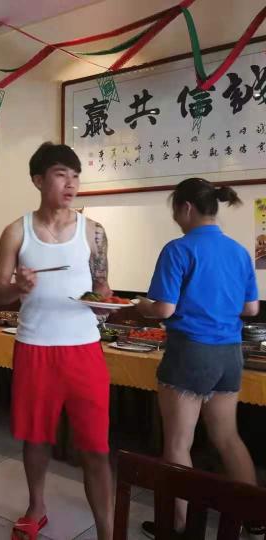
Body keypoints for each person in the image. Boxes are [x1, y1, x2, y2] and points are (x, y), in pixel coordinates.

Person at [0, 142, 113, 540]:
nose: (71, 184)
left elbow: (102, 287)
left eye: (75, 176)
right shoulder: (16, 231)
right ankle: (36, 507)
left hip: (84, 349)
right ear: (38, 180)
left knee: (96, 447)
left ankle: (107, 530)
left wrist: (104, 302)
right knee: (36, 437)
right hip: (35, 348)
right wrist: (17, 287)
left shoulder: (94, 232)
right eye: (62, 175)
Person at [136, 178, 261, 538]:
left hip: (190, 352)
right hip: (229, 354)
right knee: (228, 437)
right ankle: (256, 517)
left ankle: (179, 526)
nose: (175, 218)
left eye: (175, 210)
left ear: (186, 207)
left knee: (178, 442)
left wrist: (142, 306)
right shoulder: (239, 252)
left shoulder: (178, 249)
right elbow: (251, 308)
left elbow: (164, 308)